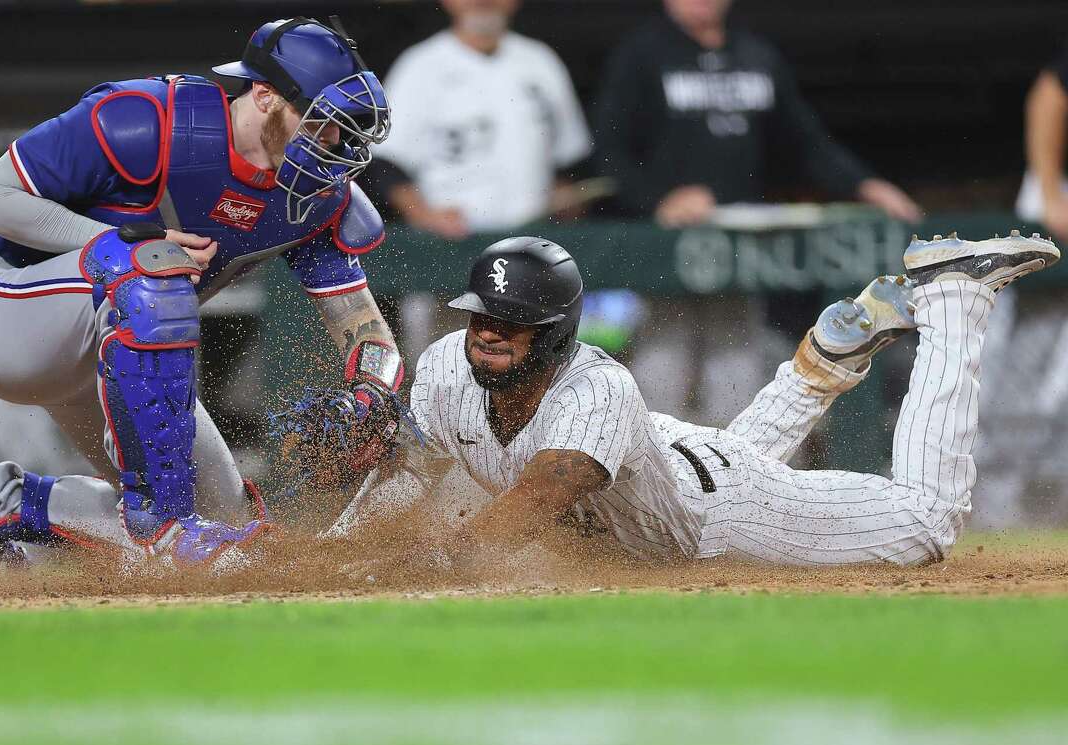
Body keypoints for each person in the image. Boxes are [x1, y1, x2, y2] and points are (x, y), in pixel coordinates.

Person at [0, 18, 406, 568]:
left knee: (233, 536)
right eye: (319, 124)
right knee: (154, 268)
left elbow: (366, 330)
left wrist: (369, 393)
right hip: (13, 314)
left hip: (121, 347)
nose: (334, 143)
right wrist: (124, 241)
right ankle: (167, 526)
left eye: (341, 128)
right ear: (265, 96)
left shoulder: (317, 195)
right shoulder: (148, 118)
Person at [328, 231, 1059, 567]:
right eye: (480, 315)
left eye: (513, 325)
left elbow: (524, 513)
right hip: (664, 466)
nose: (487, 334)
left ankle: (955, 294)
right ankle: (826, 358)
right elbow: (409, 476)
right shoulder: (448, 365)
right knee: (666, 497)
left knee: (926, 526)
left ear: (553, 334)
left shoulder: (597, 390)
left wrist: (405, 565)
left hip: (722, 511)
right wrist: (335, 551)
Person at [593, 0, 922, 426]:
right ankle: (640, 479)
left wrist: (866, 184)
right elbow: (609, 150)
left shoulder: (755, 54)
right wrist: (659, 199)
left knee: (738, 364)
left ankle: (729, 481)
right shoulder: (641, 54)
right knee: (663, 361)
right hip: (669, 250)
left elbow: (804, 140)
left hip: (739, 246)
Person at [373, 0, 592, 239]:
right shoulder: (420, 65)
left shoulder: (541, 61)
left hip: (534, 236)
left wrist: (566, 193)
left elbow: (571, 158)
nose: (482, 2)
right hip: (452, 239)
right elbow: (386, 164)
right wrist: (424, 215)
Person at [971, 41, 1068, 528]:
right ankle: (995, 512)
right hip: (1059, 201)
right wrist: (1052, 193)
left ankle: (1041, 511)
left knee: (1058, 396)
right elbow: (1051, 91)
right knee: (1023, 389)